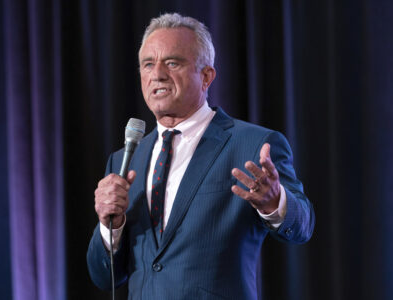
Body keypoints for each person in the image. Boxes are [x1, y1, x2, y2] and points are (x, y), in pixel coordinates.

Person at [87, 13, 315, 299]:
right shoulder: (124, 160)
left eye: (172, 62)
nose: (157, 74)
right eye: (148, 64)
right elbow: (103, 274)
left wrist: (274, 202)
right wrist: (111, 226)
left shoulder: (254, 145)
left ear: (206, 76)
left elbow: (304, 225)